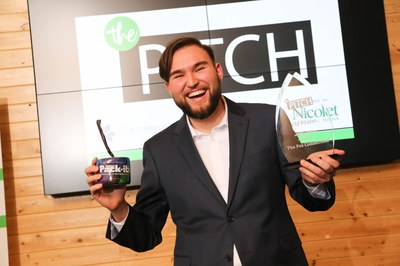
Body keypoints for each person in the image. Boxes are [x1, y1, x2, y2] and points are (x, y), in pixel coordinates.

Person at [85, 37, 345, 266]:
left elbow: (309, 195)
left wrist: (315, 183)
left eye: (200, 68)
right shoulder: (158, 149)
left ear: (218, 70)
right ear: (169, 87)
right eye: (178, 75)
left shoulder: (268, 120)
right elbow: (146, 236)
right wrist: (118, 208)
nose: (192, 81)